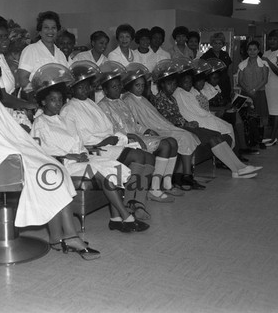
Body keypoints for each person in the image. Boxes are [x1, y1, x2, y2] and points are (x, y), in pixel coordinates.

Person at [0, 59, 100, 260]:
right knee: (52, 173)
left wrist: (25, 144)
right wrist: (23, 151)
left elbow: (7, 134)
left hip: (9, 157)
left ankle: (58, 237)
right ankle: (69, 236)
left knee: (54, 169)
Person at [30, 63, 148, 232]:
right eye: (52, 100)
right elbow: (39, 152)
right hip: (62, 166)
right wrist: (70, 157)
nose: (57, 104)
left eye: (59, 100)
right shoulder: (40, 123)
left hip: (81, 159)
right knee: (103, 175)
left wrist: (82, 154)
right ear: (43, 101)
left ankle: (115, 219)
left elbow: (77, 142)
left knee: (115, 168)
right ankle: (127, 217)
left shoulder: (62, 120)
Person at [60, 61, 155, 222]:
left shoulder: (91, 104)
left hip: (109, 143)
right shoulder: (68, 110)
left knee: (148, 157)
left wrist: (115, 137)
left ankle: (138, 203)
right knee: (137, 156)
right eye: (80, 87)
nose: (85, 90)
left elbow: (108, 127)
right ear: (71, 88)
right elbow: (76, 142)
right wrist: (104, 141)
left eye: (87, 86)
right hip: (95, 149)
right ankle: (129, 204)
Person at [151, 60, 262, 179]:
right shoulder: (160, 100)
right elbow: (167, 120)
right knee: (212, 137)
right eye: (169, 84)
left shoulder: (171, 98)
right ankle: (237, 169)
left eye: (173, 83)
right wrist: (187, 123)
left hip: (186, 124)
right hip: (179, 128)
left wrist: (188, 122)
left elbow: (179, 114)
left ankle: (239, 167)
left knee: (215, 136)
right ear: (162, 84)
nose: (172, 86)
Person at [97, 61, 182, 203]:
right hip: (125, 141)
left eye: (119, 86)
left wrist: (146, 130)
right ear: (105, 90)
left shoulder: (121, 102)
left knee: (172, 141)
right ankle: (154, 189)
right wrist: (132, 136)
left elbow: (134, 123)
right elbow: (111, 131)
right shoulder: (102, 106)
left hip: (137, 135)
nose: (117, 89)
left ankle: (166, 183)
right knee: (165, 145)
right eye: (113, 87)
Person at [122, 62, 202, 191]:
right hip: (150, 130)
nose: (140, 88)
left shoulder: (143, 99)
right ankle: (182, 177)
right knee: (183, 136)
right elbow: (133, 122)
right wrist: (147, 129)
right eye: (137, 85)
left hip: (160, 125)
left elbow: (156, 117)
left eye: (142, 85)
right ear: (129, 85)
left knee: (187, 135)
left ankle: (178, 177)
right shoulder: (127, 100)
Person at [192, 58, 259, 156]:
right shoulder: (204, 88)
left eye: (217, 78)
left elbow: (220, 101)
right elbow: (208, 107)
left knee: (242, 114)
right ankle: (240, 149)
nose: (216, 80)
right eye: (214, 78)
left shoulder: (216, 87)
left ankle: (246, 145)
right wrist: (224, 108)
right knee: (234, 117)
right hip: (212, 114)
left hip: (218, 111)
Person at [17, 11, 68, 92]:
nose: (50, 31)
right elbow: (22, 79)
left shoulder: (60, 54)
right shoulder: (30, 50)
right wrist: (41, 95)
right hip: (36, 99)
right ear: (39, 31)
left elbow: (65, 80)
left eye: (53, 28)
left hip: (58, 100)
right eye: (46, 28)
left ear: (57, 31)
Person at [237, 40, 270, 149]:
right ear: (247, 51)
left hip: (259, 92)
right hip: (246, 94)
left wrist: (255, 89)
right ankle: (249, 140)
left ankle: (259, 140)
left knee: (260, 117)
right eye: (250, 49)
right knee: (248, 117)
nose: (252, 52)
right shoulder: (242, 64)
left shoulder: (264, 64)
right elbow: (240, 81)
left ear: (258, 50)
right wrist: (248, 90)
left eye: (254, 49)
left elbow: (265, 80)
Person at [261, 29, 278, 146]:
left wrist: (268, 62)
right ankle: (264, 136)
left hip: (276, 86)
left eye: (275, 39)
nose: (272, 41)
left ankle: (273, 137)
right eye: (270, 39)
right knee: (266, 111)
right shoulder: (266, 53)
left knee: (276, 111)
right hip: (264, 85)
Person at [72, 31, 110, 103]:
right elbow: (74, 75)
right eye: (101, 43)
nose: (104, 46)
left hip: (101, 97)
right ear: (93, 43)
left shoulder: (106, 61)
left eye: (106, 44)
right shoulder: (81, 57)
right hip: (83, 96)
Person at [200, 32, 233, 101]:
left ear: (222, 44)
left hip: (225, 84)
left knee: (226, 103)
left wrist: (232, 86)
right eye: (215, 43)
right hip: (211, 86)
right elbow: (202, 74)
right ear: (211, 43)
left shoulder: (225, 55)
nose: (217, 45)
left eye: (219, 43)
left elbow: (229, 72)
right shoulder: (205, 56)